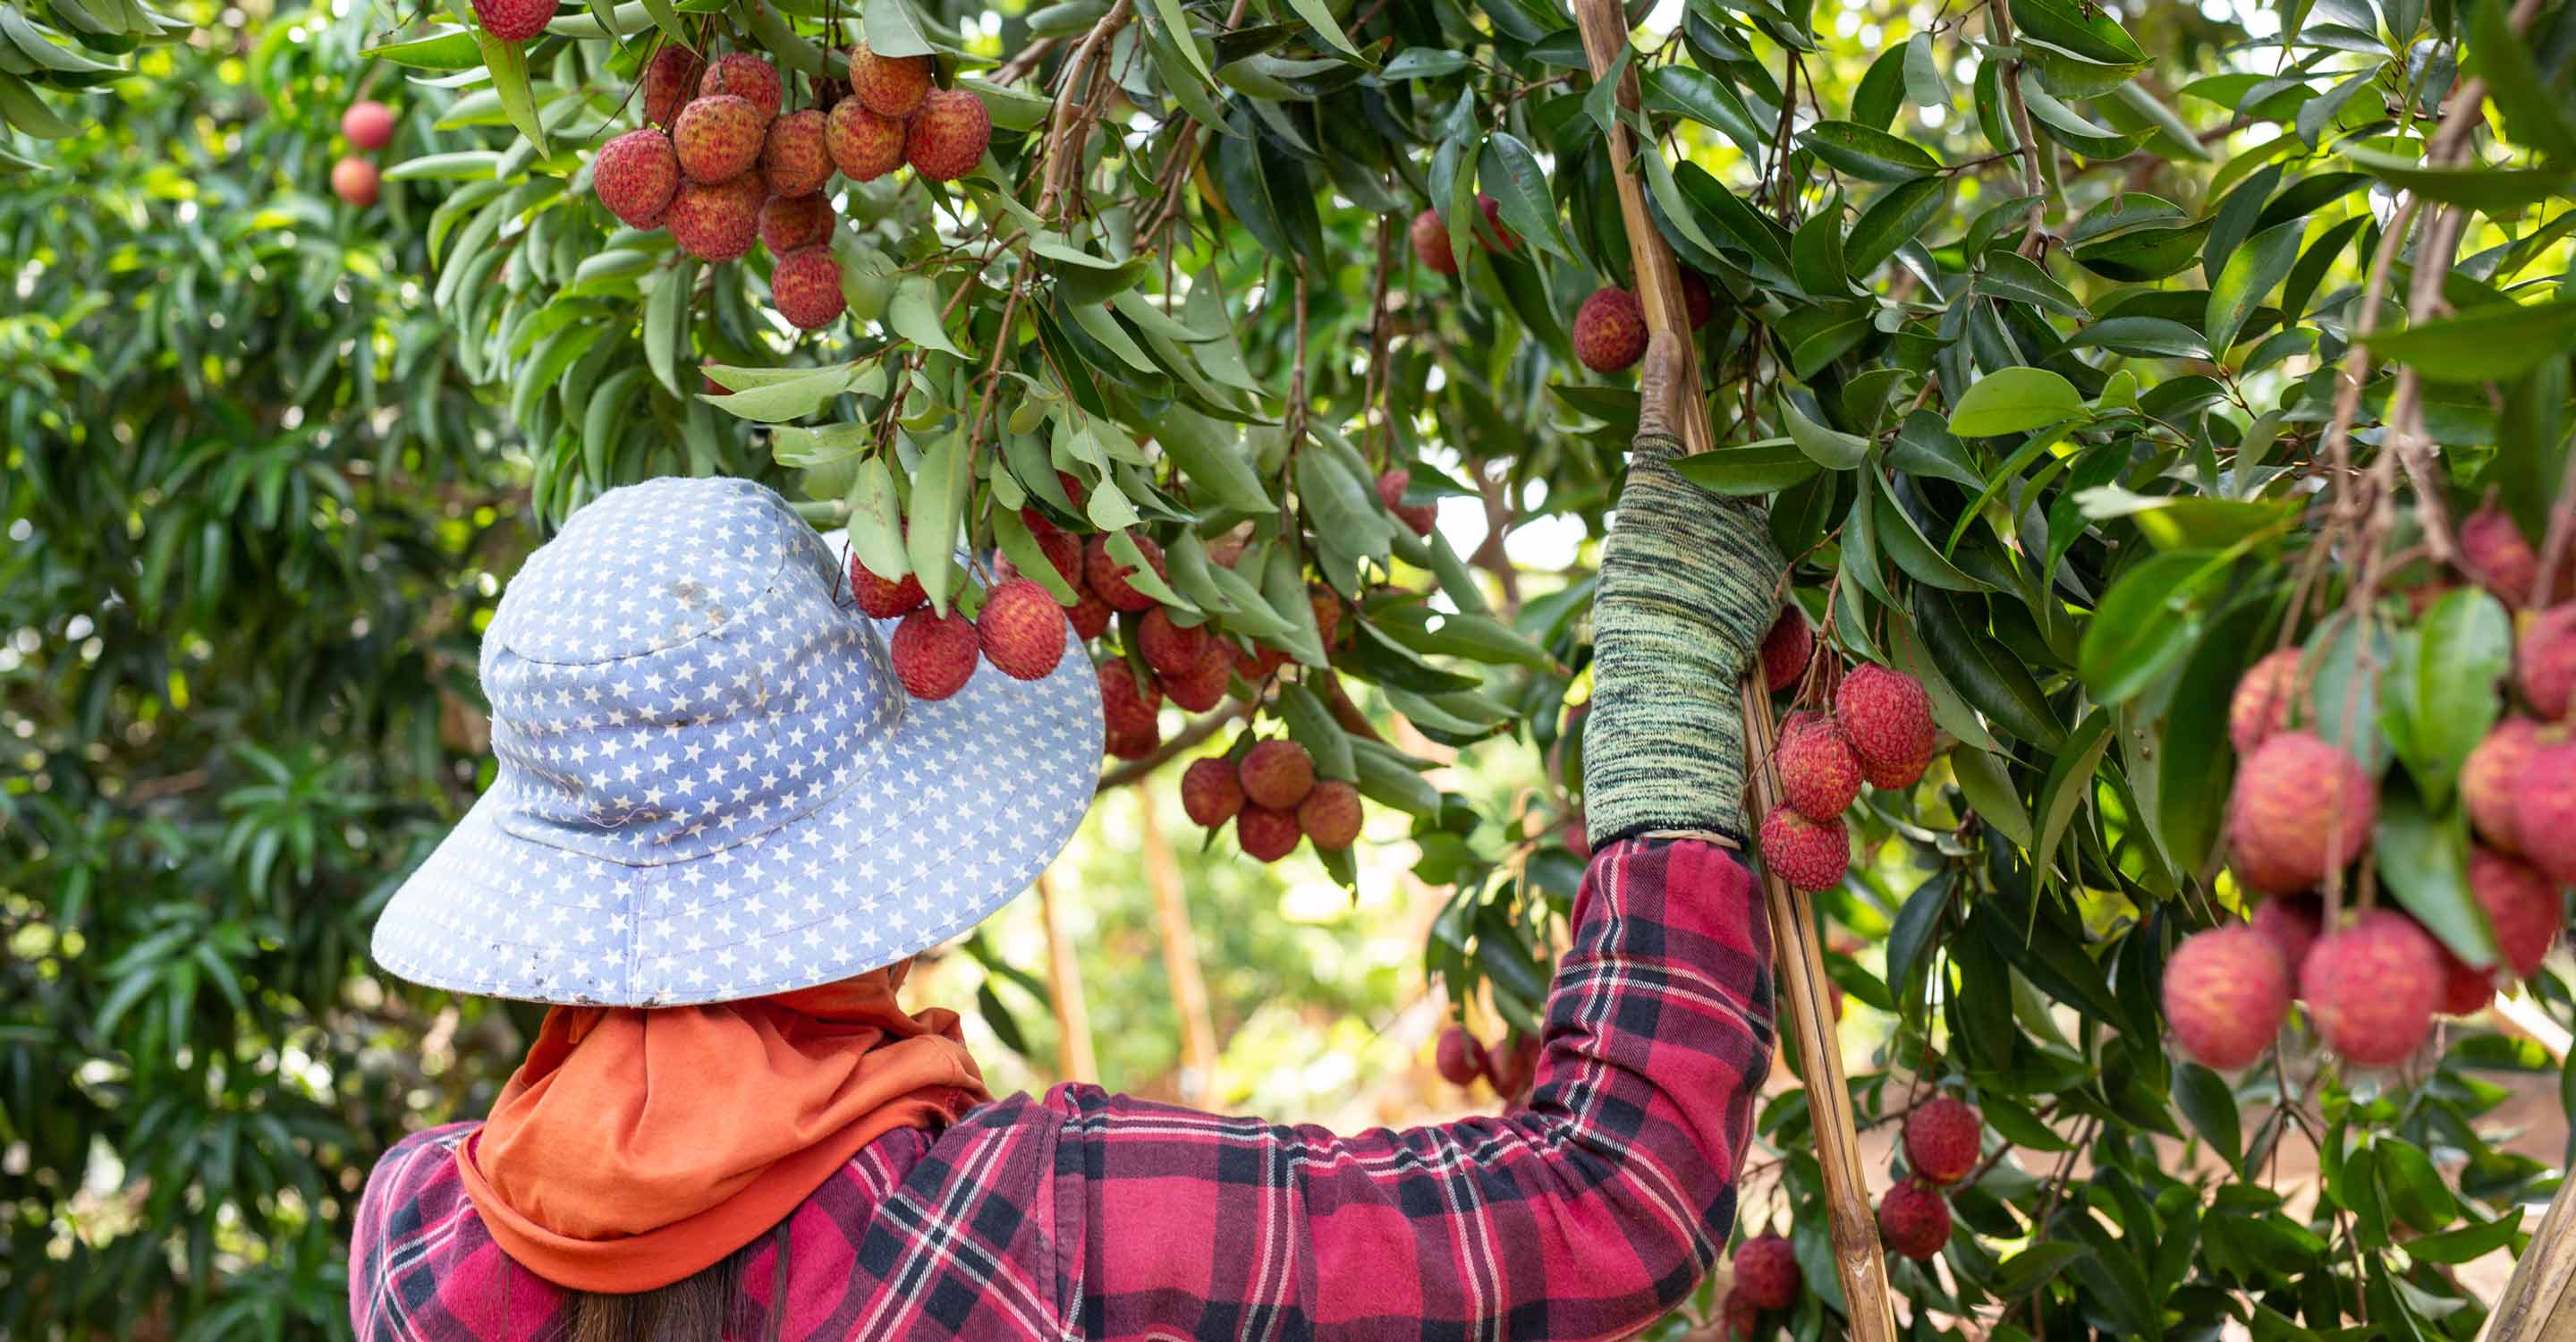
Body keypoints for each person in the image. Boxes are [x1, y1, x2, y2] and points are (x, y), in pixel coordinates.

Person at [349, 333, 1788, 1341]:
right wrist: (1661, 703)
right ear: (869, 860)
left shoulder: (416, 1244)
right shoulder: (1044, 1226)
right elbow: (1612, 1199)